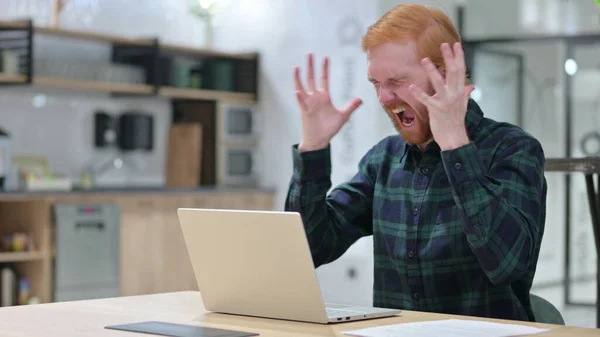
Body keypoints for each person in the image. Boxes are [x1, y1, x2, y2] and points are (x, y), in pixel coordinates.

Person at [284, 4, 547, 322]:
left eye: (395, 81)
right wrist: (312, 149)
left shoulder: (512, 148)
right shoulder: (384, 159)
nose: (383, 98)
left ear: (446, 74)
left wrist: (454, 146)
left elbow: (506, 263)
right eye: (375, 83)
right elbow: (310, 249)